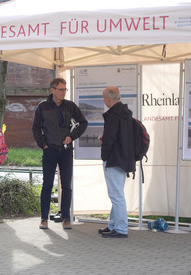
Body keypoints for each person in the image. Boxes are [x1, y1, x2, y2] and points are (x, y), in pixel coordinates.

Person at [32, 77, 88, 230]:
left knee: (67, 186)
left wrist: (72, 137)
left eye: (65, 89)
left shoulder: (70, 106)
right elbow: (36, 128)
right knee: (47, 185)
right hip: (49, 150)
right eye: (61, 89)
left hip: (66, 151)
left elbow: (83, 123)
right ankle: (44, 218)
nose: (64, 92)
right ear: (53, 90)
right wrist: (43, 144)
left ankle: (66, 218)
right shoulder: (43, 107)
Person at [98, 86, 135, 238]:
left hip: (114, 159)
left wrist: (104, 156)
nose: (104, 101)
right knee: (116, 193)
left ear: (108, 98)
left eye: (104, 98)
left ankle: (120, 229)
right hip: (124, 159)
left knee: (116, 195)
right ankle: (112, 225)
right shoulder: (126, 114)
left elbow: (110, 139)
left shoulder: (113, 115)